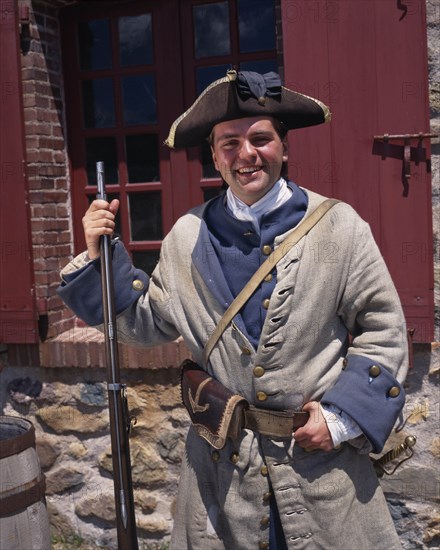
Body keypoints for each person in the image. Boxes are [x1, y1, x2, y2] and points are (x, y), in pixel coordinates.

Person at [58, 70, 408, 549]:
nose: (246, 154)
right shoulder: (185, 237)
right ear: (214, 156)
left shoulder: (340, 227)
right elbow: (146, 324)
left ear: (283, 147)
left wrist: (340, 419)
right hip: (223, 474)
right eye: (229, 143)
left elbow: (383, 327)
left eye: (261, 139)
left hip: (322, 468)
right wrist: (100, 258)